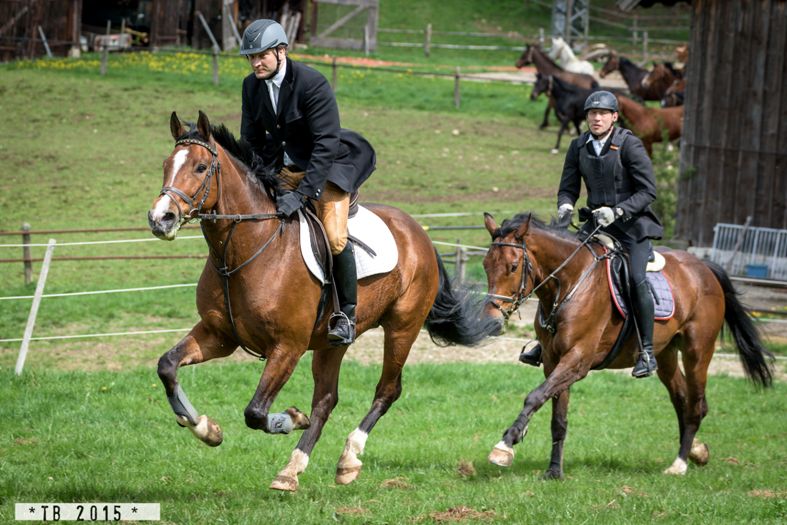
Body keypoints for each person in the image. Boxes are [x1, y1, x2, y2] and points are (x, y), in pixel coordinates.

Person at [239, 19, 376, 346]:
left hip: (325, 169)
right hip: (282, 168)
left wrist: (302, 195)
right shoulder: (251, 86)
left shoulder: (312, 83)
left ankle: (346, 315)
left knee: (335, 238)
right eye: (251, 57)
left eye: (261, 56)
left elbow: (326, 144)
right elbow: (251, 139)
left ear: (281, 51)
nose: (256, 63)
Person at [519, 90, 663, 378]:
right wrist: (565, 205)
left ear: (614, 117)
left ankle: (646, 351)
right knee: (559, 270)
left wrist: (618, 211)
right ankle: (543, 341)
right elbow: (568, 187)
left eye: (602, 113)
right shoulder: (578, 146)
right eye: (592, 113)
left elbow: (648, 191)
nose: (597, 118)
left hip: (632, 227)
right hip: (596, 224)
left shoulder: (630, 145)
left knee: (635, 279)